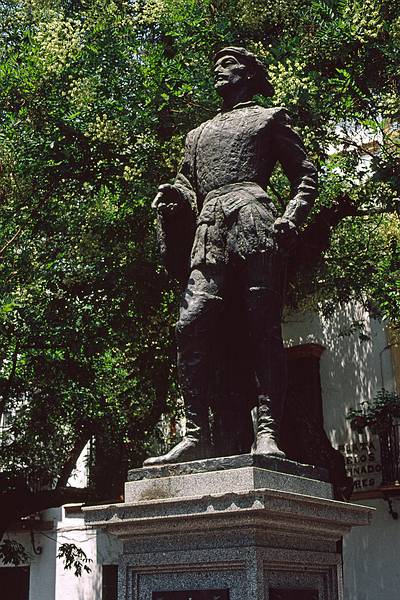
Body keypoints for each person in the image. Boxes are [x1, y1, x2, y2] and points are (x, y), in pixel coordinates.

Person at [144, 47, 318, 466]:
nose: (219, 72)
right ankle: (195, 434)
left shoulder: (268, 118)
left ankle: (268, 431)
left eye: (229, 65)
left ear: (250, 75)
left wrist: (292, 217)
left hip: (255, 223)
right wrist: (174, 196)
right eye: (216, 66)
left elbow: (306, 174)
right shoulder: (197, 134)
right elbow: (189, 185)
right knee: (191, 324)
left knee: (262, 328)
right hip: (210, 230)